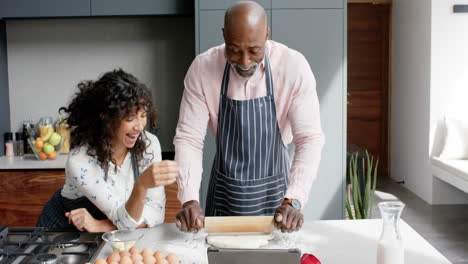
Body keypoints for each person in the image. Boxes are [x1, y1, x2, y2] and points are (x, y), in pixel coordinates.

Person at [174, 1, 325, 233]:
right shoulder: (202, 68)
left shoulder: (293, 66)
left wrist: (294, 199)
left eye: (254, 51)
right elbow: (189, 139)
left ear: (266, 34)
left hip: (278, 197)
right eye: (234, 50)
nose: (244, 62)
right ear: (224, 35)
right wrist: (189, 199)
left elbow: (309, 139)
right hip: (225, 194)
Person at [37, 69, 179, 232]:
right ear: (106, 117)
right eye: (130, 118)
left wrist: (99, 225)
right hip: (65, 233)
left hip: (106, 234)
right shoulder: (81, 161)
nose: (139, 126)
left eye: (143, 115)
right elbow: (125, 223)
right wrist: (141, 185)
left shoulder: (148, 144)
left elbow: (156, 213)